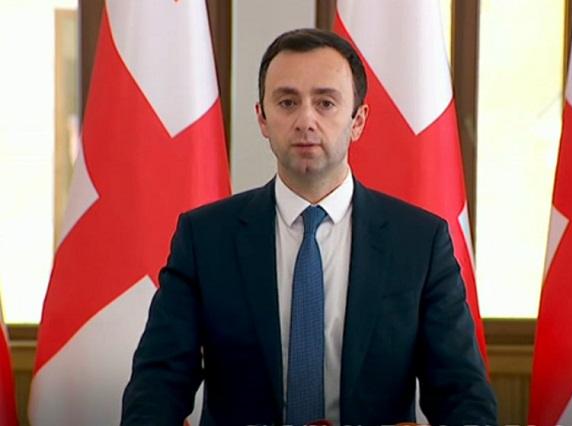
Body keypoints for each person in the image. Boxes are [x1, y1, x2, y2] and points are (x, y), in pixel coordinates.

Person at [121, 28, 497, 426]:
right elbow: (157, 385)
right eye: (287, 102)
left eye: (326, 103)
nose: (305, 120)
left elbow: (464, 396)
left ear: (358, 121)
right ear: (262, 119)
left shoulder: (419, 242)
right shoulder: (205, 238)